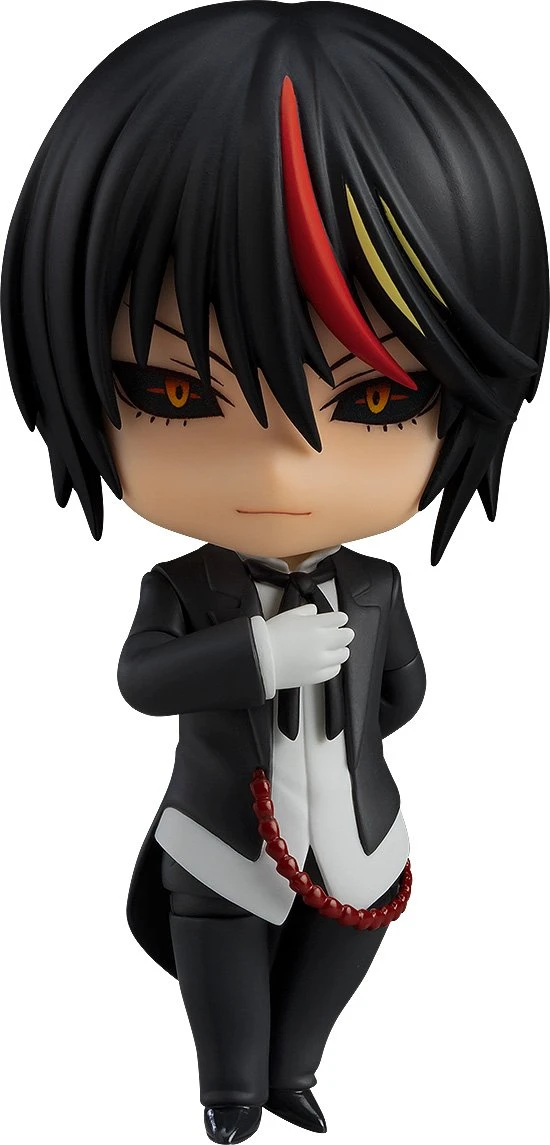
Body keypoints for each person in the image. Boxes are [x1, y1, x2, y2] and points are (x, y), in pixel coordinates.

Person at [2, 4, 547, 1141]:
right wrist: (257, 655)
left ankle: (297, 1069)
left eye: (378, 398)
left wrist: (354, 729)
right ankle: (231, 1093)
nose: (279, 469)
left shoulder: (378, 587)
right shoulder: (184, 587)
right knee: (223, 961)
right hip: (216, 834)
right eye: (176, 392)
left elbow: (404, 692)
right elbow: (141, 680)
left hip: (358, 828)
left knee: (347, 941)